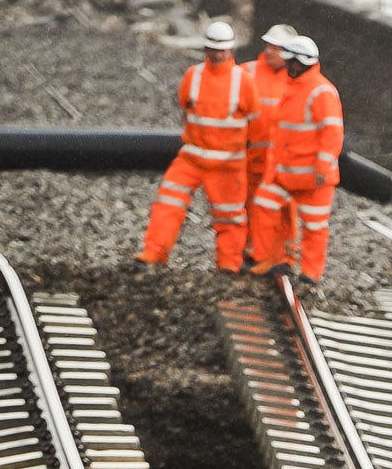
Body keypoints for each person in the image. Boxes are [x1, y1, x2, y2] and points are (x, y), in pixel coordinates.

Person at [137, 19, 257, 274]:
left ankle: (228, 265)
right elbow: (186, 108)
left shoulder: (243, 81)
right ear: (205, 49)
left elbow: (255, 123)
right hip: (191, 158)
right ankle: (154, 252)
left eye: (221, 50)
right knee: (167, 203)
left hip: (227, 164)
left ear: (231, 51)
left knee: (230, 217)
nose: (217, 54)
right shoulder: (194, 75)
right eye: (212, 49)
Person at [249, 35, 343, 286]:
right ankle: (274, 259)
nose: (287, 66)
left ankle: (311, 274)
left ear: (302, 64)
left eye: (292, 62)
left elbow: (332, 131)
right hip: (286, 173)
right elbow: (283, 134)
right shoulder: (294, 87)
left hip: (313, 177)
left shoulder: (321, 91)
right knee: (265, 207)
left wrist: (322, 167)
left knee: (314, 225)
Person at [244, 21, 297, 257]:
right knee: (250, 203)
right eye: (268, 46)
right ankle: (252, 248)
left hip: (282, 158)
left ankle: (286, 251)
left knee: (285, 206)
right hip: (252, 155)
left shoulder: (296, 79)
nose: (269, 51)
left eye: (276, 48)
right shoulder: (248, 72)